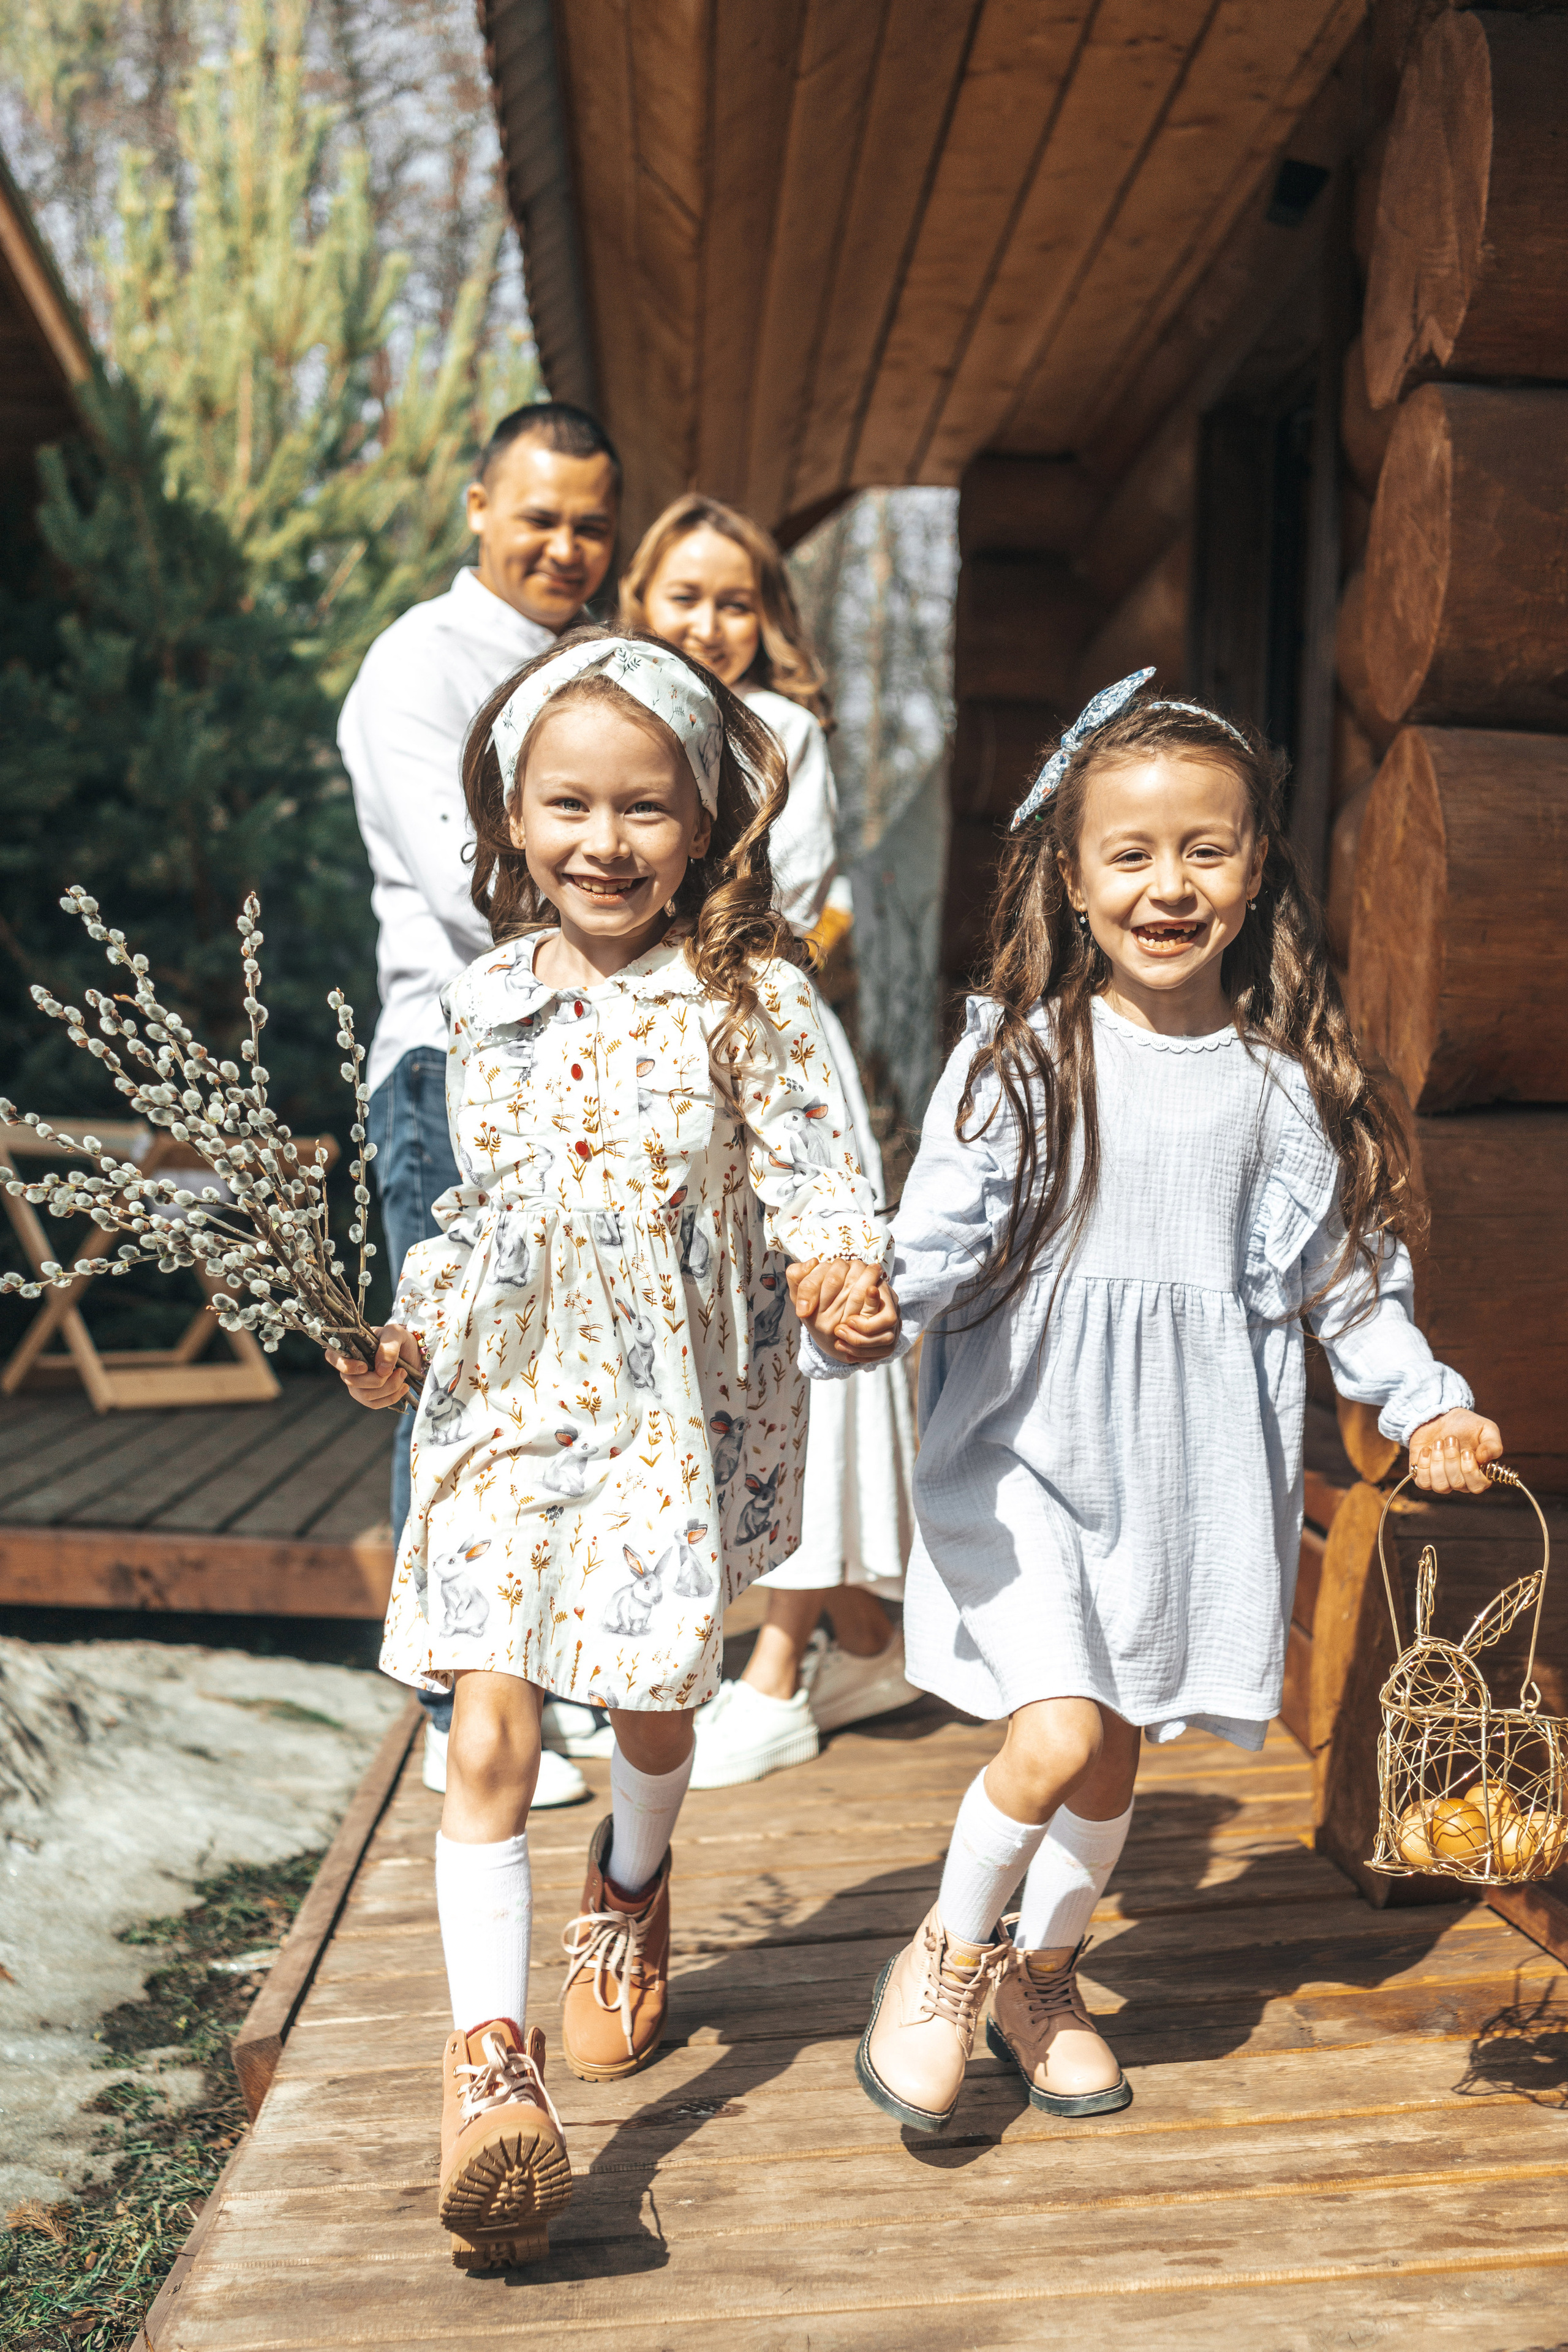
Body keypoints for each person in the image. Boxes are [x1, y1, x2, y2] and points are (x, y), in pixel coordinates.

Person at [796, 671, 1502, 2135]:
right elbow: (930, 1245)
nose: (1167, 885)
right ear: (1070, 873)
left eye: (1204, 849)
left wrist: (1423, 1404)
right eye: (1128, 853)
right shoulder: (1020, 1060)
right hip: (1020, 1456)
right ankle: (945, 1954)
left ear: (1253, 872)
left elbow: (1346, 1289)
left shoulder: (1277, 1092)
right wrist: (872, 1306)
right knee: (1053, 1734)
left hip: (1180, 1474)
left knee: (1114, 1749)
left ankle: (1041, 1978)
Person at [330, 626, 895, 2269]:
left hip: (668, 1408)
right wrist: (409, 1326)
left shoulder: (751, 1001)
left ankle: (630, 1884)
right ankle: (489, 2069)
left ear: (705, 821)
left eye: (644, 809)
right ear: (510, 820)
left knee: (659, 1701)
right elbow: (463, 1217)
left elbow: (818, 1185)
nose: (604, 842)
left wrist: (841, 1276)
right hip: (505, 1399)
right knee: (491, 1718)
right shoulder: (479, 998)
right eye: (567, 806)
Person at [338, 400, 620, 1804]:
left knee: (565, 1370)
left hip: (587, 1062)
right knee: (458, 1372)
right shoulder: (419, 665)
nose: (564, 546)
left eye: (588, 525)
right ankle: (458, 1714)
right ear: (476, 509)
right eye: (539, 517)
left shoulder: (603, 668)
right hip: (452, 1062)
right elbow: (473, 882)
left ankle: (539, 1681)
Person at [621, 493, 919, 1786]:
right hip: (639, 1073)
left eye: (735, 601)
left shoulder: (781, 731)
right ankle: (855, 1628)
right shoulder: (603, 714)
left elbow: (775, 916)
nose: (709, 623)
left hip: (760, 1062)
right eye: (683, 597)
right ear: (640, 606)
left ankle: (778, 1663)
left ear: (767, 619)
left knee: (797, 1347)